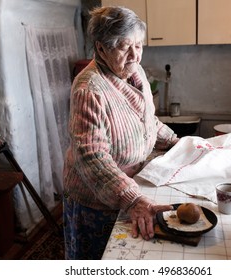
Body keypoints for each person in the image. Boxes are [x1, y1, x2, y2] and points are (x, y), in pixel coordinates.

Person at [63, 6, 179, 260]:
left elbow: (146, 120)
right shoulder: (89, 89)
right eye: (125, 47)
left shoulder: (135, 72)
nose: (135, 56)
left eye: (139, 46)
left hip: (130, 187)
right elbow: (92, 158)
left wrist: (177, 143)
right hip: (97, 201)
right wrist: (133, 199)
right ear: (101, 48)